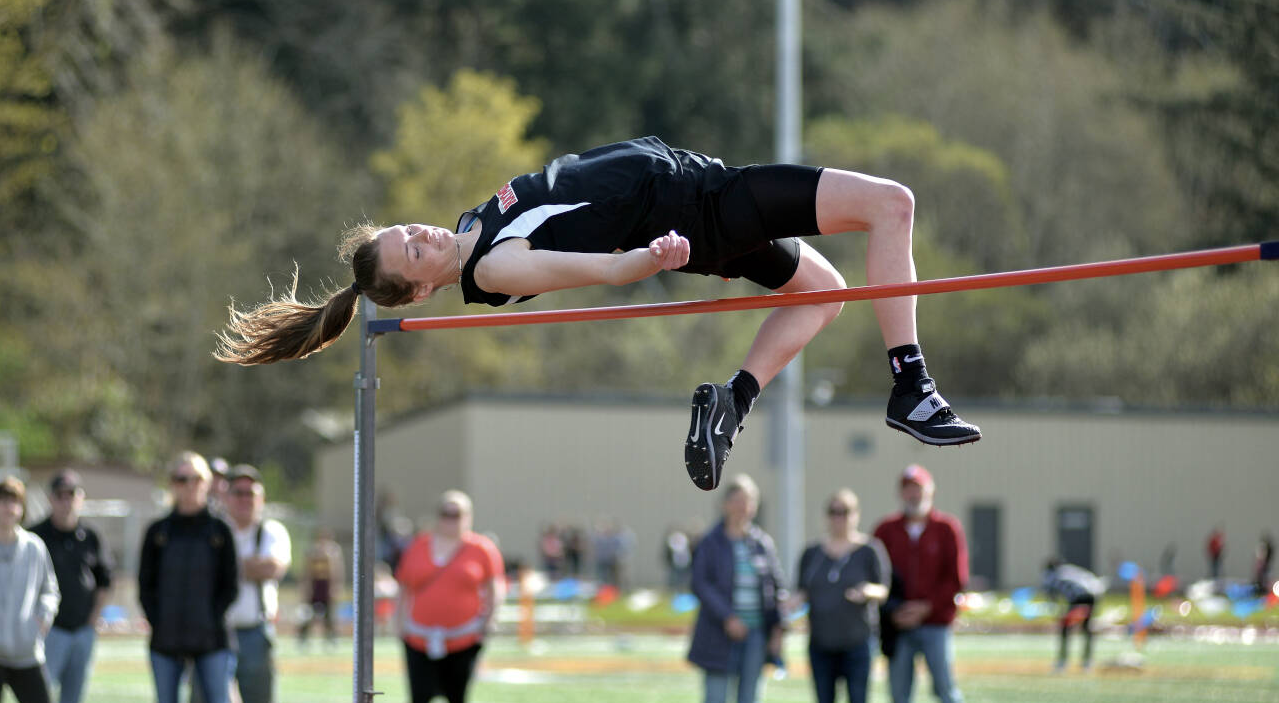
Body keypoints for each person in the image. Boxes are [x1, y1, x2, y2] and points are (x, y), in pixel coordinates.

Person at [216, 137, 981, 491]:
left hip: (697, 201)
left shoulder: (473, 225)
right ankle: (910, 385)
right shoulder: (495, 264)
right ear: (419, 293)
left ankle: (731, 401)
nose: (417, 236)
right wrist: (652, 257)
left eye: (404, 230)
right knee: (892, 205)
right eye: (409, 254)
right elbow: (600, 269)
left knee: (824, 290)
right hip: (705, 203)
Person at [874, 464, 974, 703]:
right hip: (899, 626)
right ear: (900, 492)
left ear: (930, 491)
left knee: (946, 688)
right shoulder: (886, 530)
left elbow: (956, 577)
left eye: (918, 487)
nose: (913, 493)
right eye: (908, 487)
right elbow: (877, 575)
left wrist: (926, 607)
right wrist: (896, 610)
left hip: (935, 624)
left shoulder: (946, 528)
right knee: (899, 694)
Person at [137, 451, 240, 703]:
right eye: (182, 479)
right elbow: (145, 586)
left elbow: (231, 585)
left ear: (207, 483)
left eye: (196, 478)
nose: (189, 486)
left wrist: (211, 618)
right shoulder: (158, 532)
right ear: (172, 484)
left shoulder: (220, 531)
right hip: (166, 639)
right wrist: (159, 621)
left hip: (212, 639)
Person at [687, 474, 786, 703]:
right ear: (725, 504)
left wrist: (778, 631)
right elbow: (700, 584)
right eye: (738, 500)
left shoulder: (762, 543)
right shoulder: (711, 542)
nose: (744, 506)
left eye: (749, 501)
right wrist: (728, 618)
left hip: (756, 635)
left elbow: (777, 588)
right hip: (719, 635)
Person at [792, 488, 889, 703]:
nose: (839, 518)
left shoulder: (870, 550)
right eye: (834, 512)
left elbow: (883, 590)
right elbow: (802, 590)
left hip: (857, 642)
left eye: (845, 512)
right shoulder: (812, 553)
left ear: (856, 515)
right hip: (822, 642)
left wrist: (867, 591)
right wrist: (790, 603)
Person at [395, 490, 504, 703]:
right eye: (446, 513)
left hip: (463, 638)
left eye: (458, 514)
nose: (451, 519)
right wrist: (399, 622)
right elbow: (404, 587)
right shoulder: (419, 545)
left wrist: (490, 619)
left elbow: (496, 585)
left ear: (468, 516)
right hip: (419, 638)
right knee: (418, 701)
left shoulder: (482, 548)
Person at [28, 469, 113, 703]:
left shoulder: (91, 536)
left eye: (72, 494)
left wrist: (93, 618)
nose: (66, 501)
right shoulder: (35, 536)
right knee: (36, 702)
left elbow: (105, 579)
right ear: (51, 499)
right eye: (60, 495)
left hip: (82, 631)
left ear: (81, 497)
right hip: (47, 631)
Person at [222, 465, 291, 703]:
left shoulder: (272, 531)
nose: (244, 499)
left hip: (256, 631)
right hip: (217, 634)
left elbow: (272, 569)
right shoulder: (216, 529)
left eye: (250, 493)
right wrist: (249, 566)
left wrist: (226, 566)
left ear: (261, 498)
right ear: (226, 497)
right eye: (238, 493)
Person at [0, 476, 60, 703]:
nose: (9, 508)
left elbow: (50, 589)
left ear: (22, 508)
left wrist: (44, 614)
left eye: (15, 502)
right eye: (3, 501)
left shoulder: (35, 547)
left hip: (27, 653)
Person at [1040, 556, 1107, 673]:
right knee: (1086, 628)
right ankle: (1087, 662)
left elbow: (1050, 593)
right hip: (1092, 597)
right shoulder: (1071, 570)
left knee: (1065, 628)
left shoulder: (1055, 574)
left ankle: (1062, 662)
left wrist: (1055, 608)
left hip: (1078, 598)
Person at [299, 527, 344, 648]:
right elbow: (307, 570)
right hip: (315, 584)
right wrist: (306, 587)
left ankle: (331, 638)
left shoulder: (334, 551)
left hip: (326, 584)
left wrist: (335, 587)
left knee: (329, 614)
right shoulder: (312, 551)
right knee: (308, 612)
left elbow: (337, 570)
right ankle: (303, 637)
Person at [1254, 532, 1274, 597]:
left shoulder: (1265, 547)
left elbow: (1262, 557)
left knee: (1264, 578)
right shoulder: (1265, 546)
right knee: (1261, 578)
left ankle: (1263, 590)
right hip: (1263, 566)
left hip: (1264, 566)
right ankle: (1260, 590)